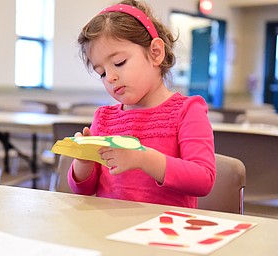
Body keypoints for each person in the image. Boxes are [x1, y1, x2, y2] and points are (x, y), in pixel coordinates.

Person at [68, 0, 216, 208]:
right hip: (108, 230)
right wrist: (83, 161)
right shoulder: (104, 118)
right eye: (101, 72)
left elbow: (203, 180)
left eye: (119, 63)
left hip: (166, 230)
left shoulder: (187, 111)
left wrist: (144, 159)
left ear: (155, 53)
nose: (110, 77)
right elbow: (84, 189)